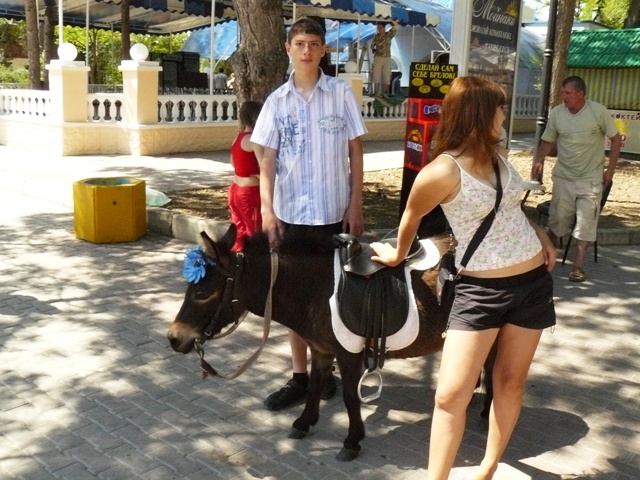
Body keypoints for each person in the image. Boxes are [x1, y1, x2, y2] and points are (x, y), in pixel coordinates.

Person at [370, 76, 557, 480]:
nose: (504, 114)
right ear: (478, 113)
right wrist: (397, 255)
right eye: (500, 107)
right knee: (451, 395)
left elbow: (508, 209)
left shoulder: (498, 155)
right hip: (480, 291)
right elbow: (410, 217)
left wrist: (541, 234)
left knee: (509, 383)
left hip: (532, 285)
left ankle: (488, 468)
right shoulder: (441, 171)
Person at [251, 17, 367, 411]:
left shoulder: (340, 93)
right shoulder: (276, 102)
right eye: (300, 43)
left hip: (335, 216)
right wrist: (267, 211)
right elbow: (267, 160)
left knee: (337, 298)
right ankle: (300, 377)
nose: (306, 51)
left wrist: (355, 203)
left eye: (314, 44)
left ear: (323, 49)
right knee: (295, 301)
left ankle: (328, 371)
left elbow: (355, 150)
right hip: (291, 218)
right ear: (289, 48)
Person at [532, 75, 621, 283]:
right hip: (564, 176)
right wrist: (539, 161)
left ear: (581, 94)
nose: (563, 96)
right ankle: (548, 255)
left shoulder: (598, 111)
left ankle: (578, 267)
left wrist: (611, 170)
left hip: (591, 178)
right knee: (558, 220)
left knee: (586, 222)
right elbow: (547, 140)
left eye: (567, 93)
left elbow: (616, 139)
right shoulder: (557, 113)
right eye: (562, 92)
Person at [228, 100, 264, 252]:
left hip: (235, 190)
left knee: (239, 233)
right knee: (255, 233)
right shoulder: (254, 140)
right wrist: (259, 177)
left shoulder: (238, 137)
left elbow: (232, 163)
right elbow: (265, 167)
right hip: (249, 194)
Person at [371, 20, 398, 97]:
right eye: (378, 28)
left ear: (384, 28)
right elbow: (372, 46)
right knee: (376, 75)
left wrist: (390, 19)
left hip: (386, 58)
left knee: (387, 75)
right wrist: (375, 52)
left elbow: (395, 26)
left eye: (381, 28)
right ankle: (377, 92)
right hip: (378, 58)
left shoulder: (388, 35)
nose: (379, 30)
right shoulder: (376, 37)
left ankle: (384, 92)